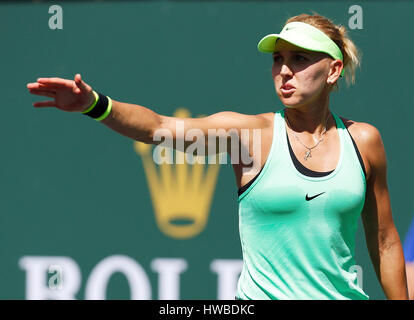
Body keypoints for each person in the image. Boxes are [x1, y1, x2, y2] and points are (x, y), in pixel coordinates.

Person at [27, 13, 408, 300]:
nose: (284, 71)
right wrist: (95, 104)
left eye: (300, 59)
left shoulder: (364, 141)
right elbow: (158, 127)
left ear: (333, 70)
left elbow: (385, 241)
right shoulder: (247, 134)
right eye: (278, 59)